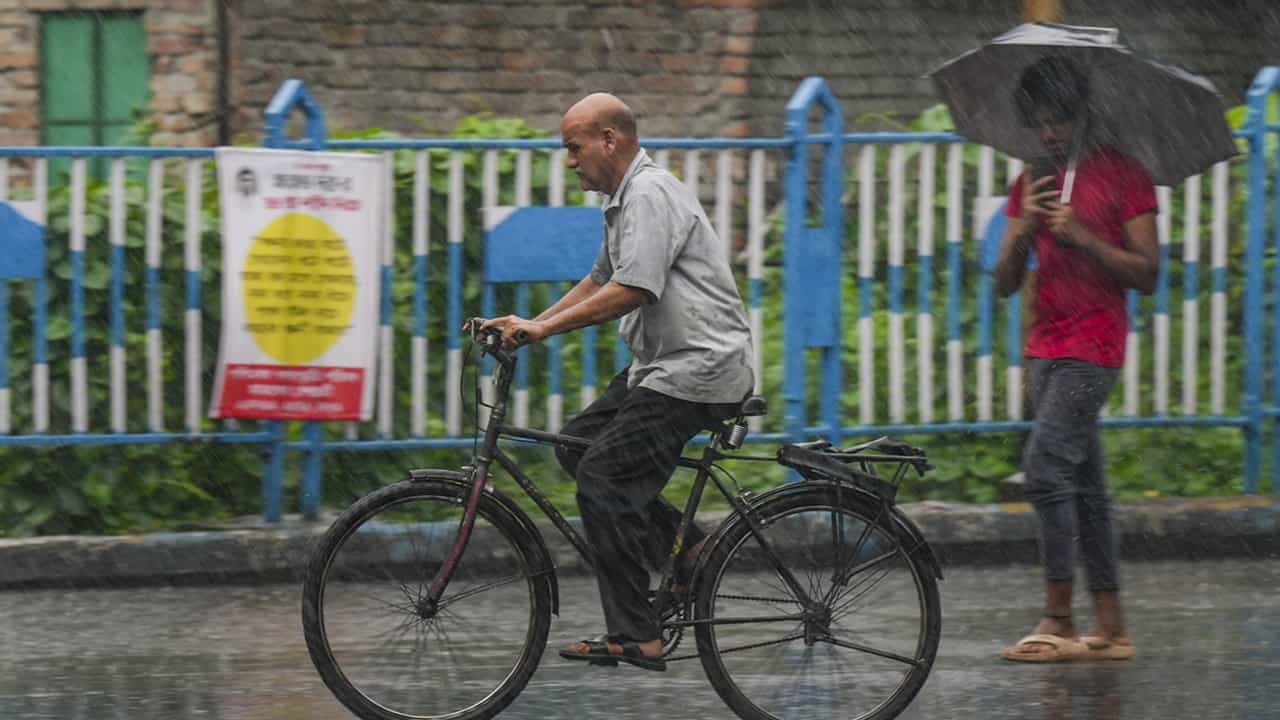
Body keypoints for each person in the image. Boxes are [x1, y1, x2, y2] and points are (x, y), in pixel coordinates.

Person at [478, 92, 754, 671]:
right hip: (665, 365)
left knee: (603, 476)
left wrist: (542, 331)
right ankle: (692, 552)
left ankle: (637, 634)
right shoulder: (625, 200)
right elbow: (602, 276)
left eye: (574, 148)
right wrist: (534, 325)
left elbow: (635, 288)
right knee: (581, 448)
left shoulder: (650, 194)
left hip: (696, 368)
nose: (570, 161)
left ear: (610, 139)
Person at [994, 56, 1158, 663]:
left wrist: (1083, 237)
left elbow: (1149, 274)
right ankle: (1112, 630)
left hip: (1095, 347)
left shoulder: (1124, 176)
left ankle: (1059, 619)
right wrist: (1027, 231)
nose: (1049, 133)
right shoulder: (1030, 183)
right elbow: (1005, 284)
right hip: (1045, 348)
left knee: (1045, 471)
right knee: (1087, 489)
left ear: (1083, 115)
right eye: (1039, 122)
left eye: (1059, 120)